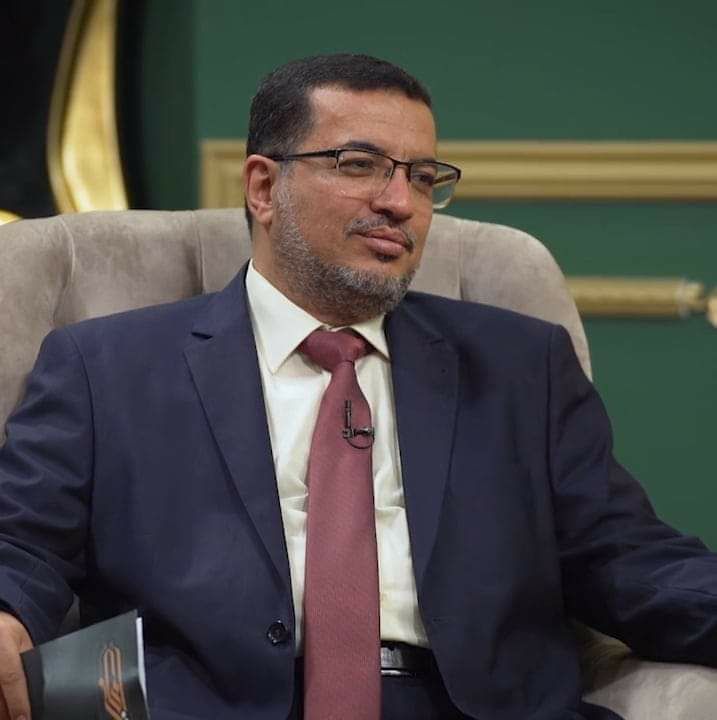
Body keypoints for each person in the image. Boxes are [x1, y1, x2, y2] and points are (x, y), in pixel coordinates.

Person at [1, 53, 717, 720]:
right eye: (360, 165)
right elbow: (22, 542)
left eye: (423, 177)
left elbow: (626, 557)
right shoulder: (107, 367)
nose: (401, 202)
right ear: (263, 187)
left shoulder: (520, 365)